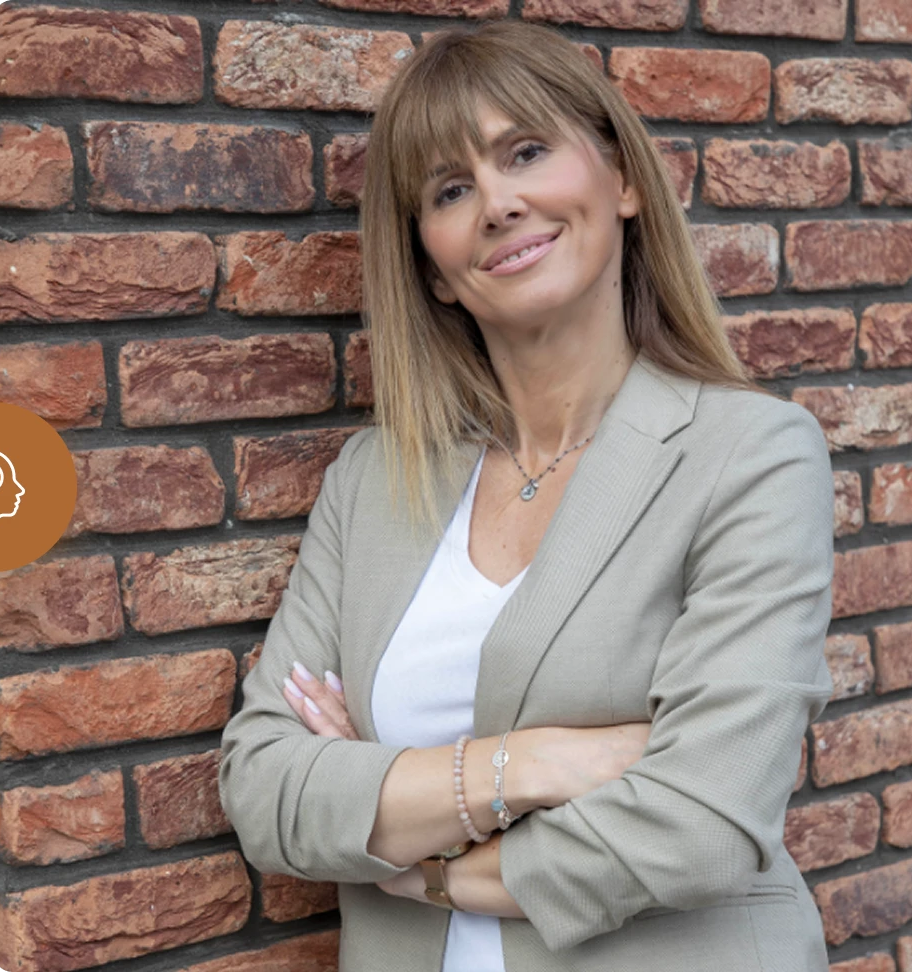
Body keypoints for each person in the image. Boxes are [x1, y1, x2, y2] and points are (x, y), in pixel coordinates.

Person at [220, 21, 835, 972]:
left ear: (622, 180)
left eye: (527, 152)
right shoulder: (375, 479)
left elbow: (703, 820)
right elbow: (266, 790)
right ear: (433, 269)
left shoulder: (750, 454)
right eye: (450, 190)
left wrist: (413, 853)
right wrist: (536, 765)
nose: (499, 204)